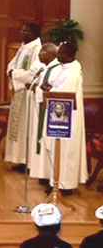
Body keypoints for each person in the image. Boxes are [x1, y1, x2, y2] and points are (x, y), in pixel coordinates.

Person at [41, 42, 88, 194]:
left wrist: (50, 90)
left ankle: (64, 185)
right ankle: (55, 180)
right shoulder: (65, 69)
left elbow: (63, 91)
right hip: (59, 117)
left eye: (60, 53)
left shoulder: (73, 72)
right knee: (57, 150)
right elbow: (56, 86)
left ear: (68, 54)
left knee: (66, 151)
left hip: (68, 119)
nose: (58, 55)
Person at [5, 23, 43, 172]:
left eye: (26, 30)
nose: (22, 32)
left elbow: (33, 74)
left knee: (27, 127)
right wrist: (12, 72)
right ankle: (20, 159)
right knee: (19, 127)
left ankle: (28, 161)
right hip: (20, 92)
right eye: (22, 29)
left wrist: (14, 74)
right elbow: (11, 66)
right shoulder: (23, 47)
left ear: (34, 33)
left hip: (29, 94)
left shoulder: (38, 50)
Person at [26, 43, 63, 185]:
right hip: (41, 108)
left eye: (42, 52)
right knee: (40, 140)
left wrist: (37, 89)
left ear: (51, 54)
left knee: (47, 142)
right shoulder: (46, 69)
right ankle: (43, 173)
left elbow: (52, 90)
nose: (39, 54)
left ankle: (49, 175)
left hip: (49, 112)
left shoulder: (57, 70)